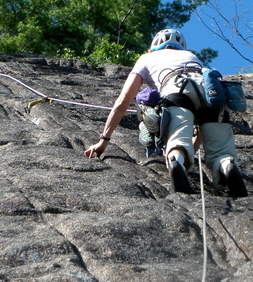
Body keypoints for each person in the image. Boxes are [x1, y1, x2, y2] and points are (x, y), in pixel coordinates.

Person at [84, 28, 248, 197]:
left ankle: (176, 158)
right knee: (221, 150)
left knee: (177, 139)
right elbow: (200, 128)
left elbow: (123, 102)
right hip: (209, 91)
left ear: (154, 46)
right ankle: (226, 165)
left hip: (176, 88)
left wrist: (103, 141)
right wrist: (193, 147)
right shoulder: (192, 57)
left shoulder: (147, 58)